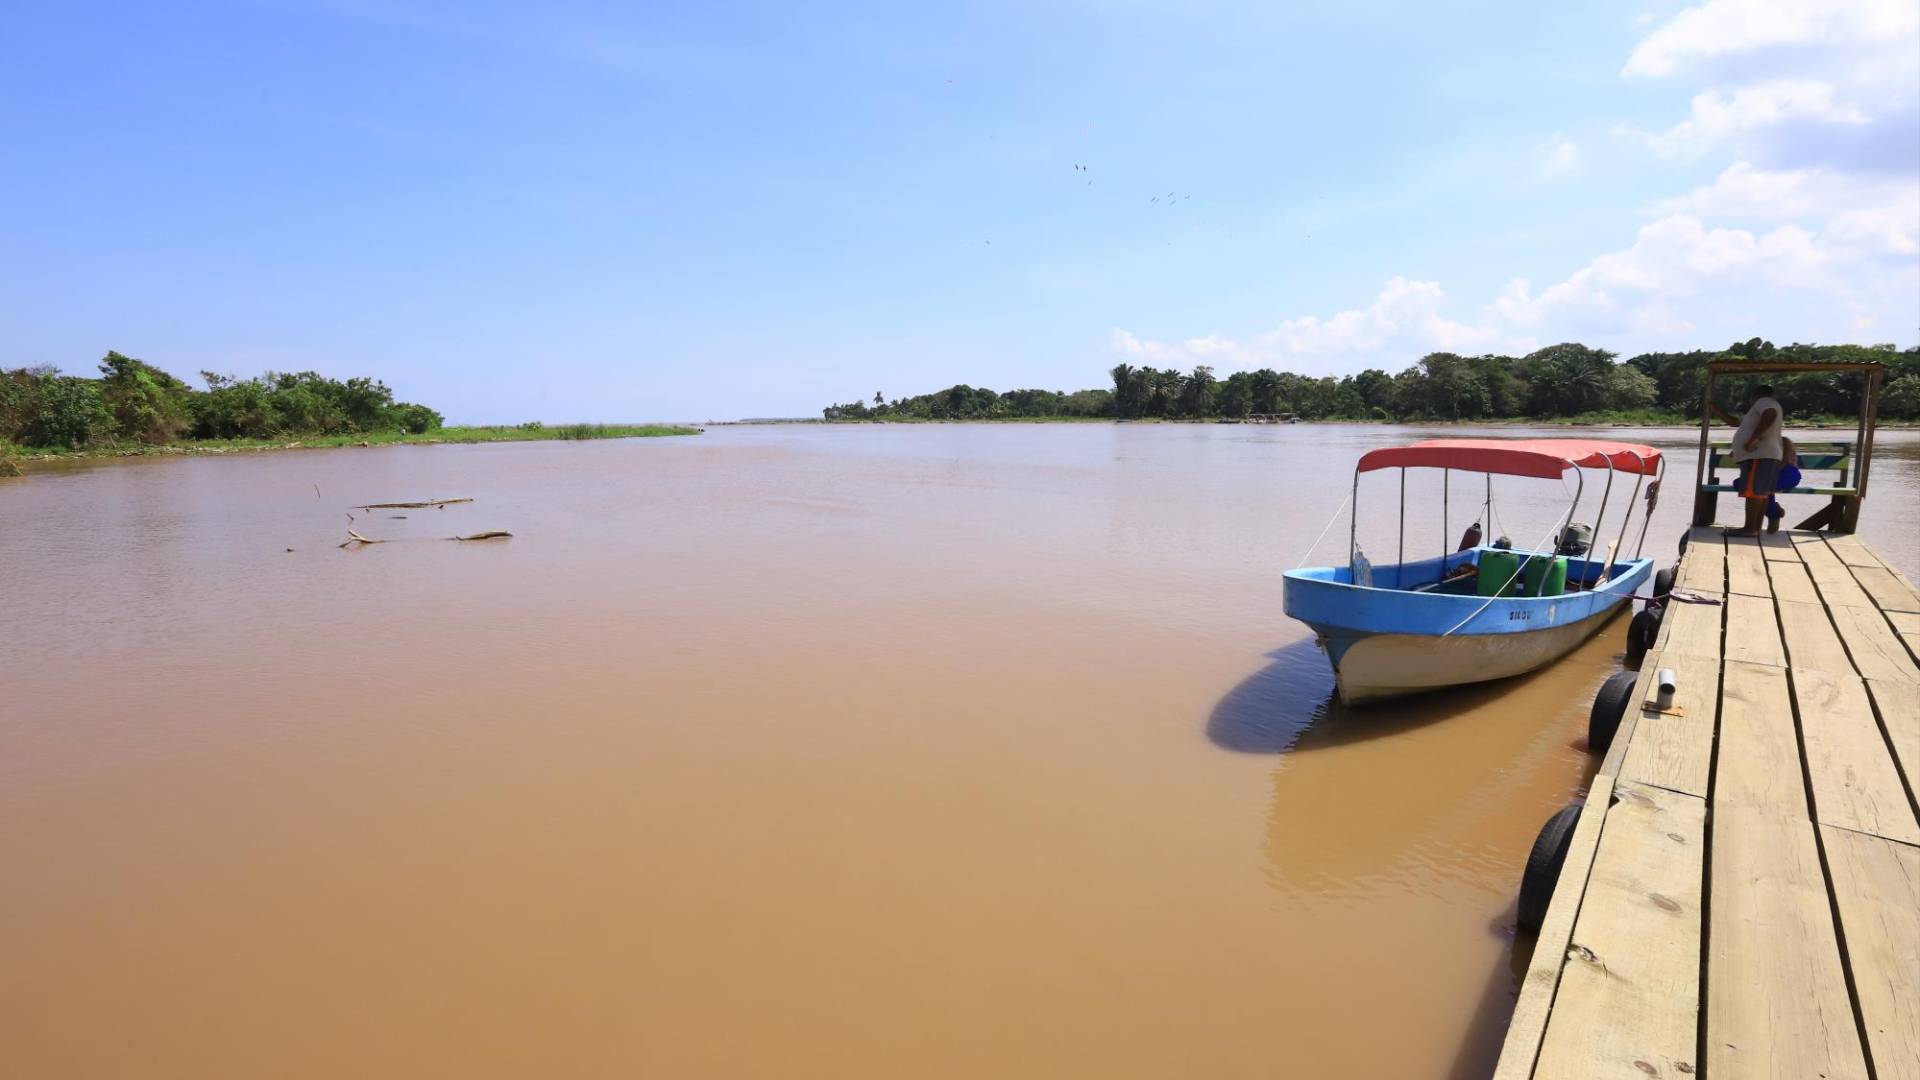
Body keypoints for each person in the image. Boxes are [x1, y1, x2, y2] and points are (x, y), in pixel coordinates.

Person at [1711, 383, 1783, 537]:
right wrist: (1714, 408)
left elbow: (1770, 414)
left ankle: (1750, 528)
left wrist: (1752, 439)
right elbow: (1735, 422)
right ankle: (1755, 528)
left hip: (1759, 455)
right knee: (1761, 493)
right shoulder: (1762, 407)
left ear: (1755, 395)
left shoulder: (1764, 402)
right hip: (1764, 455)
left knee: (1754, 493)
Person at [1765, 436, 1802, 533]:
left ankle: (1773, 514)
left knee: (1762, 487)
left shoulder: (1784, 441)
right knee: (1739, 483)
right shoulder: (1760, 442)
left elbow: (1783, 462)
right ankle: (1774, 512)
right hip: (1770, 477)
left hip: (1788, 475)